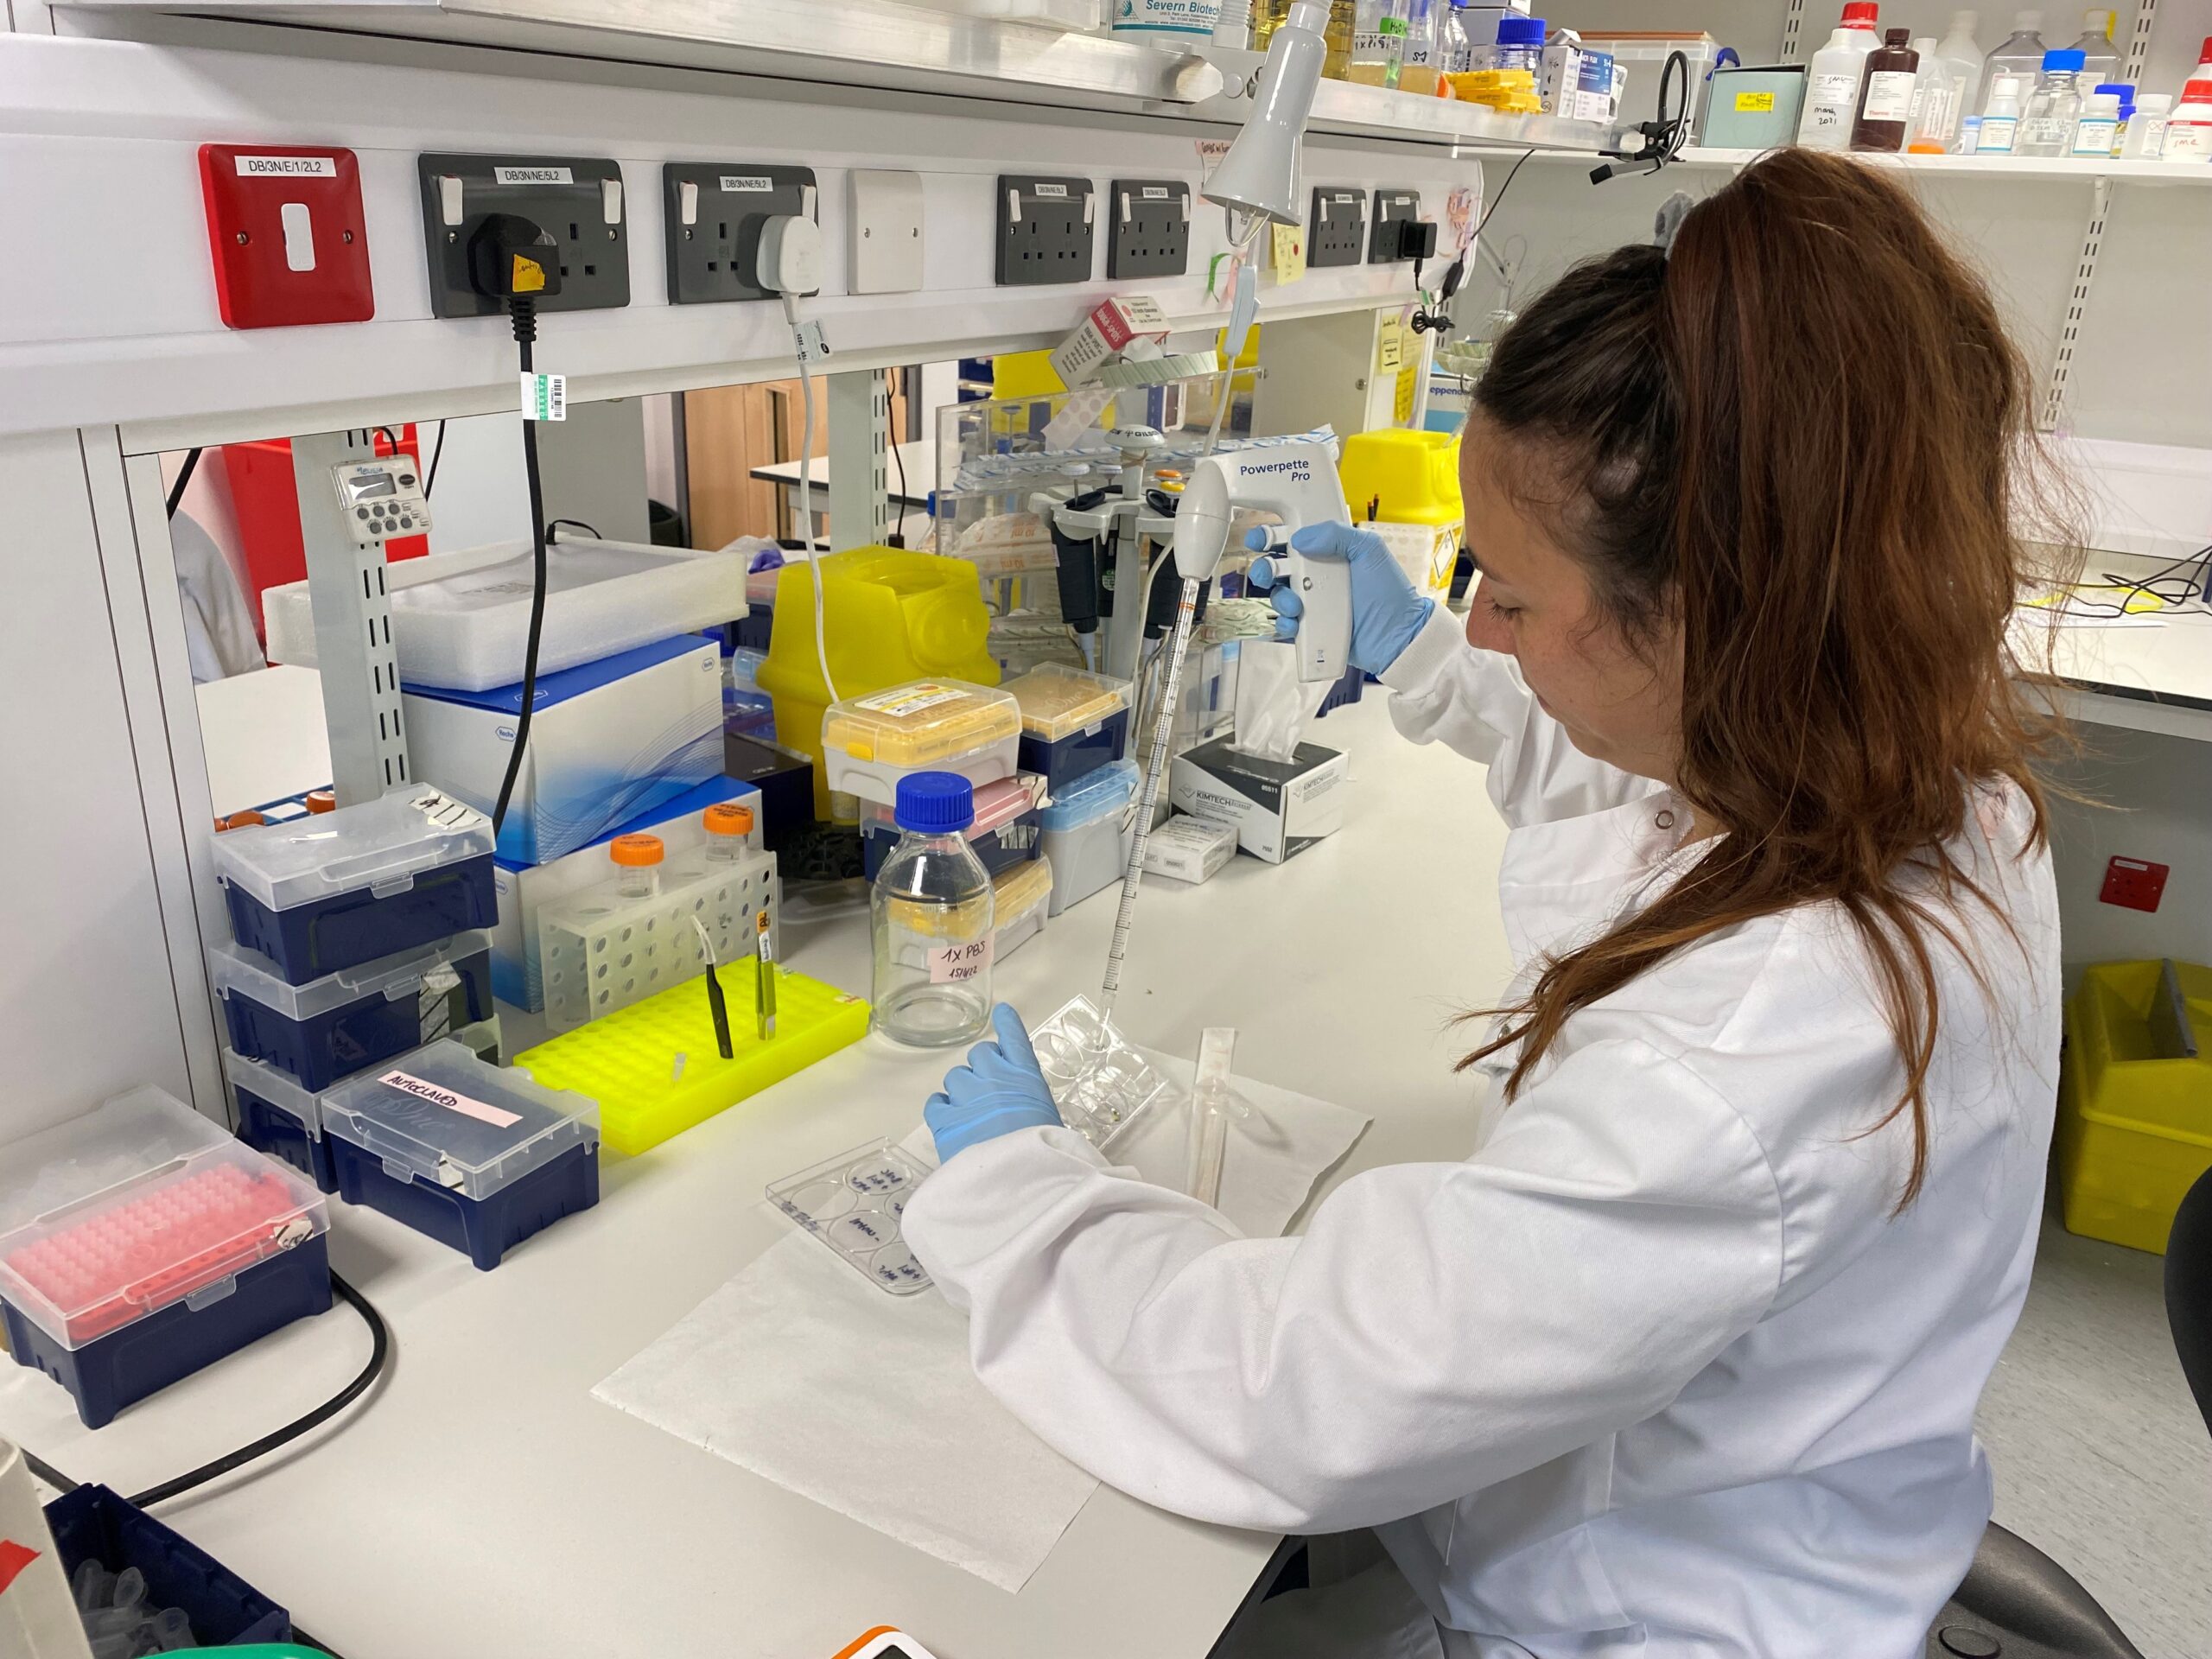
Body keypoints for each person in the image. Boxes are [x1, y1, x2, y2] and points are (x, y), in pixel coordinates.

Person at [902, 148, 2073, 1658]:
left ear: (1713, 615)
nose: (1480, 619)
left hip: (1639, 1619)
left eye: (1510, 598)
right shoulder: (1938, 786)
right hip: (1666, 1497)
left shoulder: (1759, 1051)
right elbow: (1654, 798)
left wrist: (1021, 1200)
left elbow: (1307, 1391)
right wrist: (1437, 669)